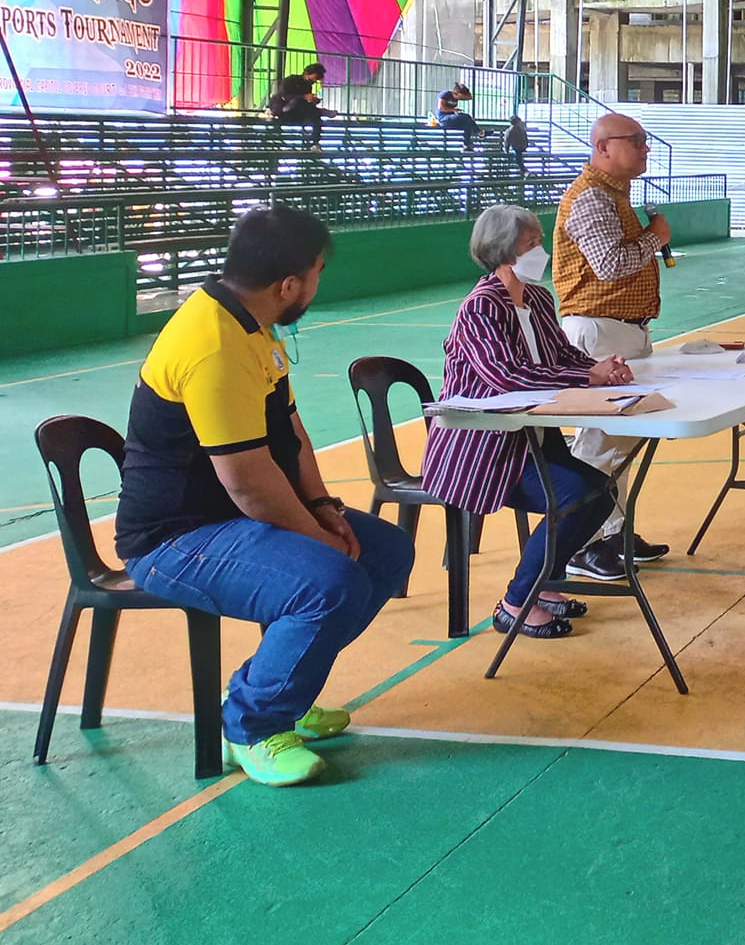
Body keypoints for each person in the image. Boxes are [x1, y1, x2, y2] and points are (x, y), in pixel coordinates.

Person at [113, 206, 414, 787]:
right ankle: (250, 727)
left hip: (234, 520)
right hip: (177, 539)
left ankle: (284, 692)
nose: (319, 283)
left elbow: (291, 432)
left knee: (385, 551)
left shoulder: (256, 327)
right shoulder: (213, 344)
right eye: (319, 270)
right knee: (329, 582)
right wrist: (320, 536)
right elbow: (247, 481)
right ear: (289, 285)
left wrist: (325, 508)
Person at [421, 206, 634, 639]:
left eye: (539, 240)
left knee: (600, 491)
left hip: (534, 438)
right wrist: (585, 376)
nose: (540, 250)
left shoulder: (537, 298)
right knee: (576, 495)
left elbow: (562, 355)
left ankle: (545, 583)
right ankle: (516, 602)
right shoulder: (480, 307)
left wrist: (601, 367)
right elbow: (506, 376)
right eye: (530, 243)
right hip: (483, 449)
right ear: (502, 250)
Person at [552, 112, 673, 580]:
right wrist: (655, 237)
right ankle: (583, 543)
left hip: (622, 330)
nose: (645, 149)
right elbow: (609, 264)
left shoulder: (613, 195)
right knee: (600, 443)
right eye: (636, 141)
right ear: (603, 147)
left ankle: (615, 531)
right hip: (599, 333)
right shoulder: (590, 199)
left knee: (620, 441)